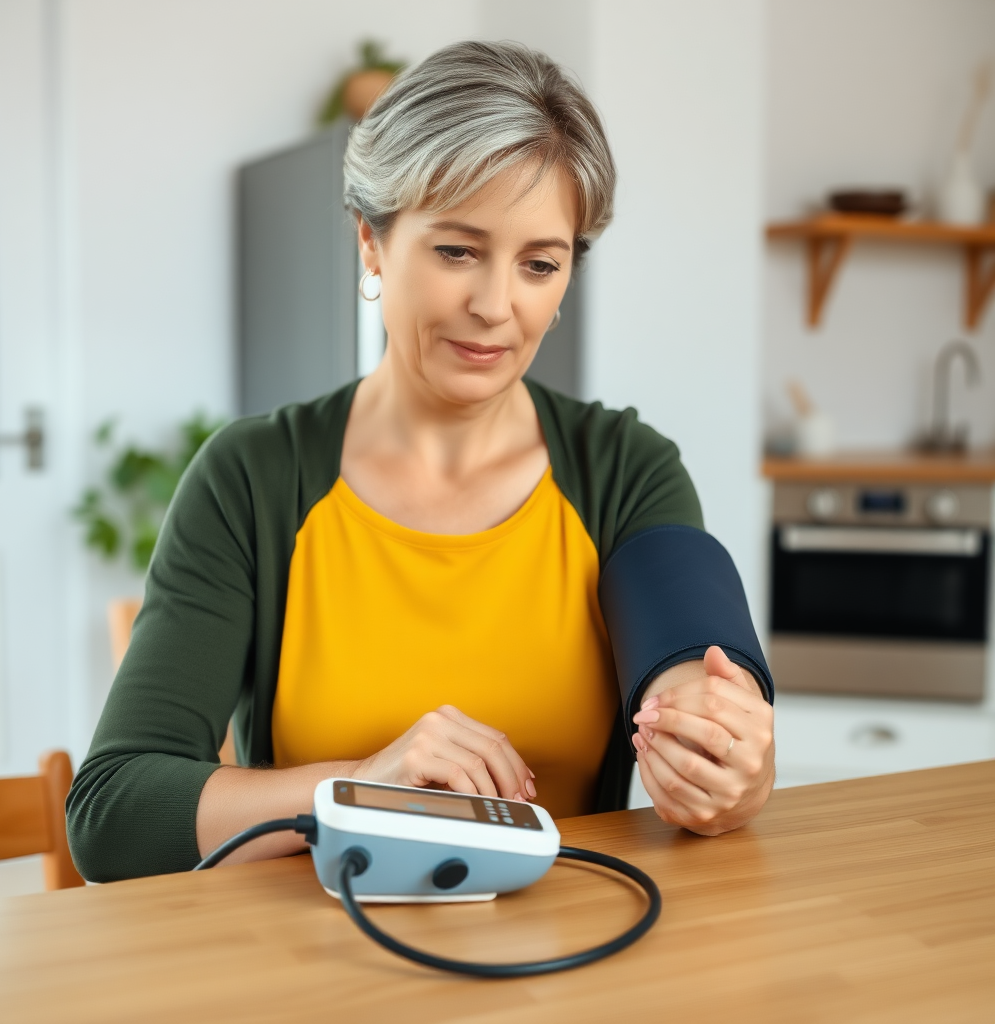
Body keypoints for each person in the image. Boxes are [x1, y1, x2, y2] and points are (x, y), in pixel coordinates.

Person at [67, 41, 775, 882]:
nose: (494, 305)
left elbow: (694, 665)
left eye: (539, 264)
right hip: (318, 964)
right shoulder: (253, 478)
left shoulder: (624, 470)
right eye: (456, 251)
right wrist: (361, 786)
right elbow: (112, 814)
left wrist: (727, 761)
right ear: (372, 241)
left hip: (573, 964)